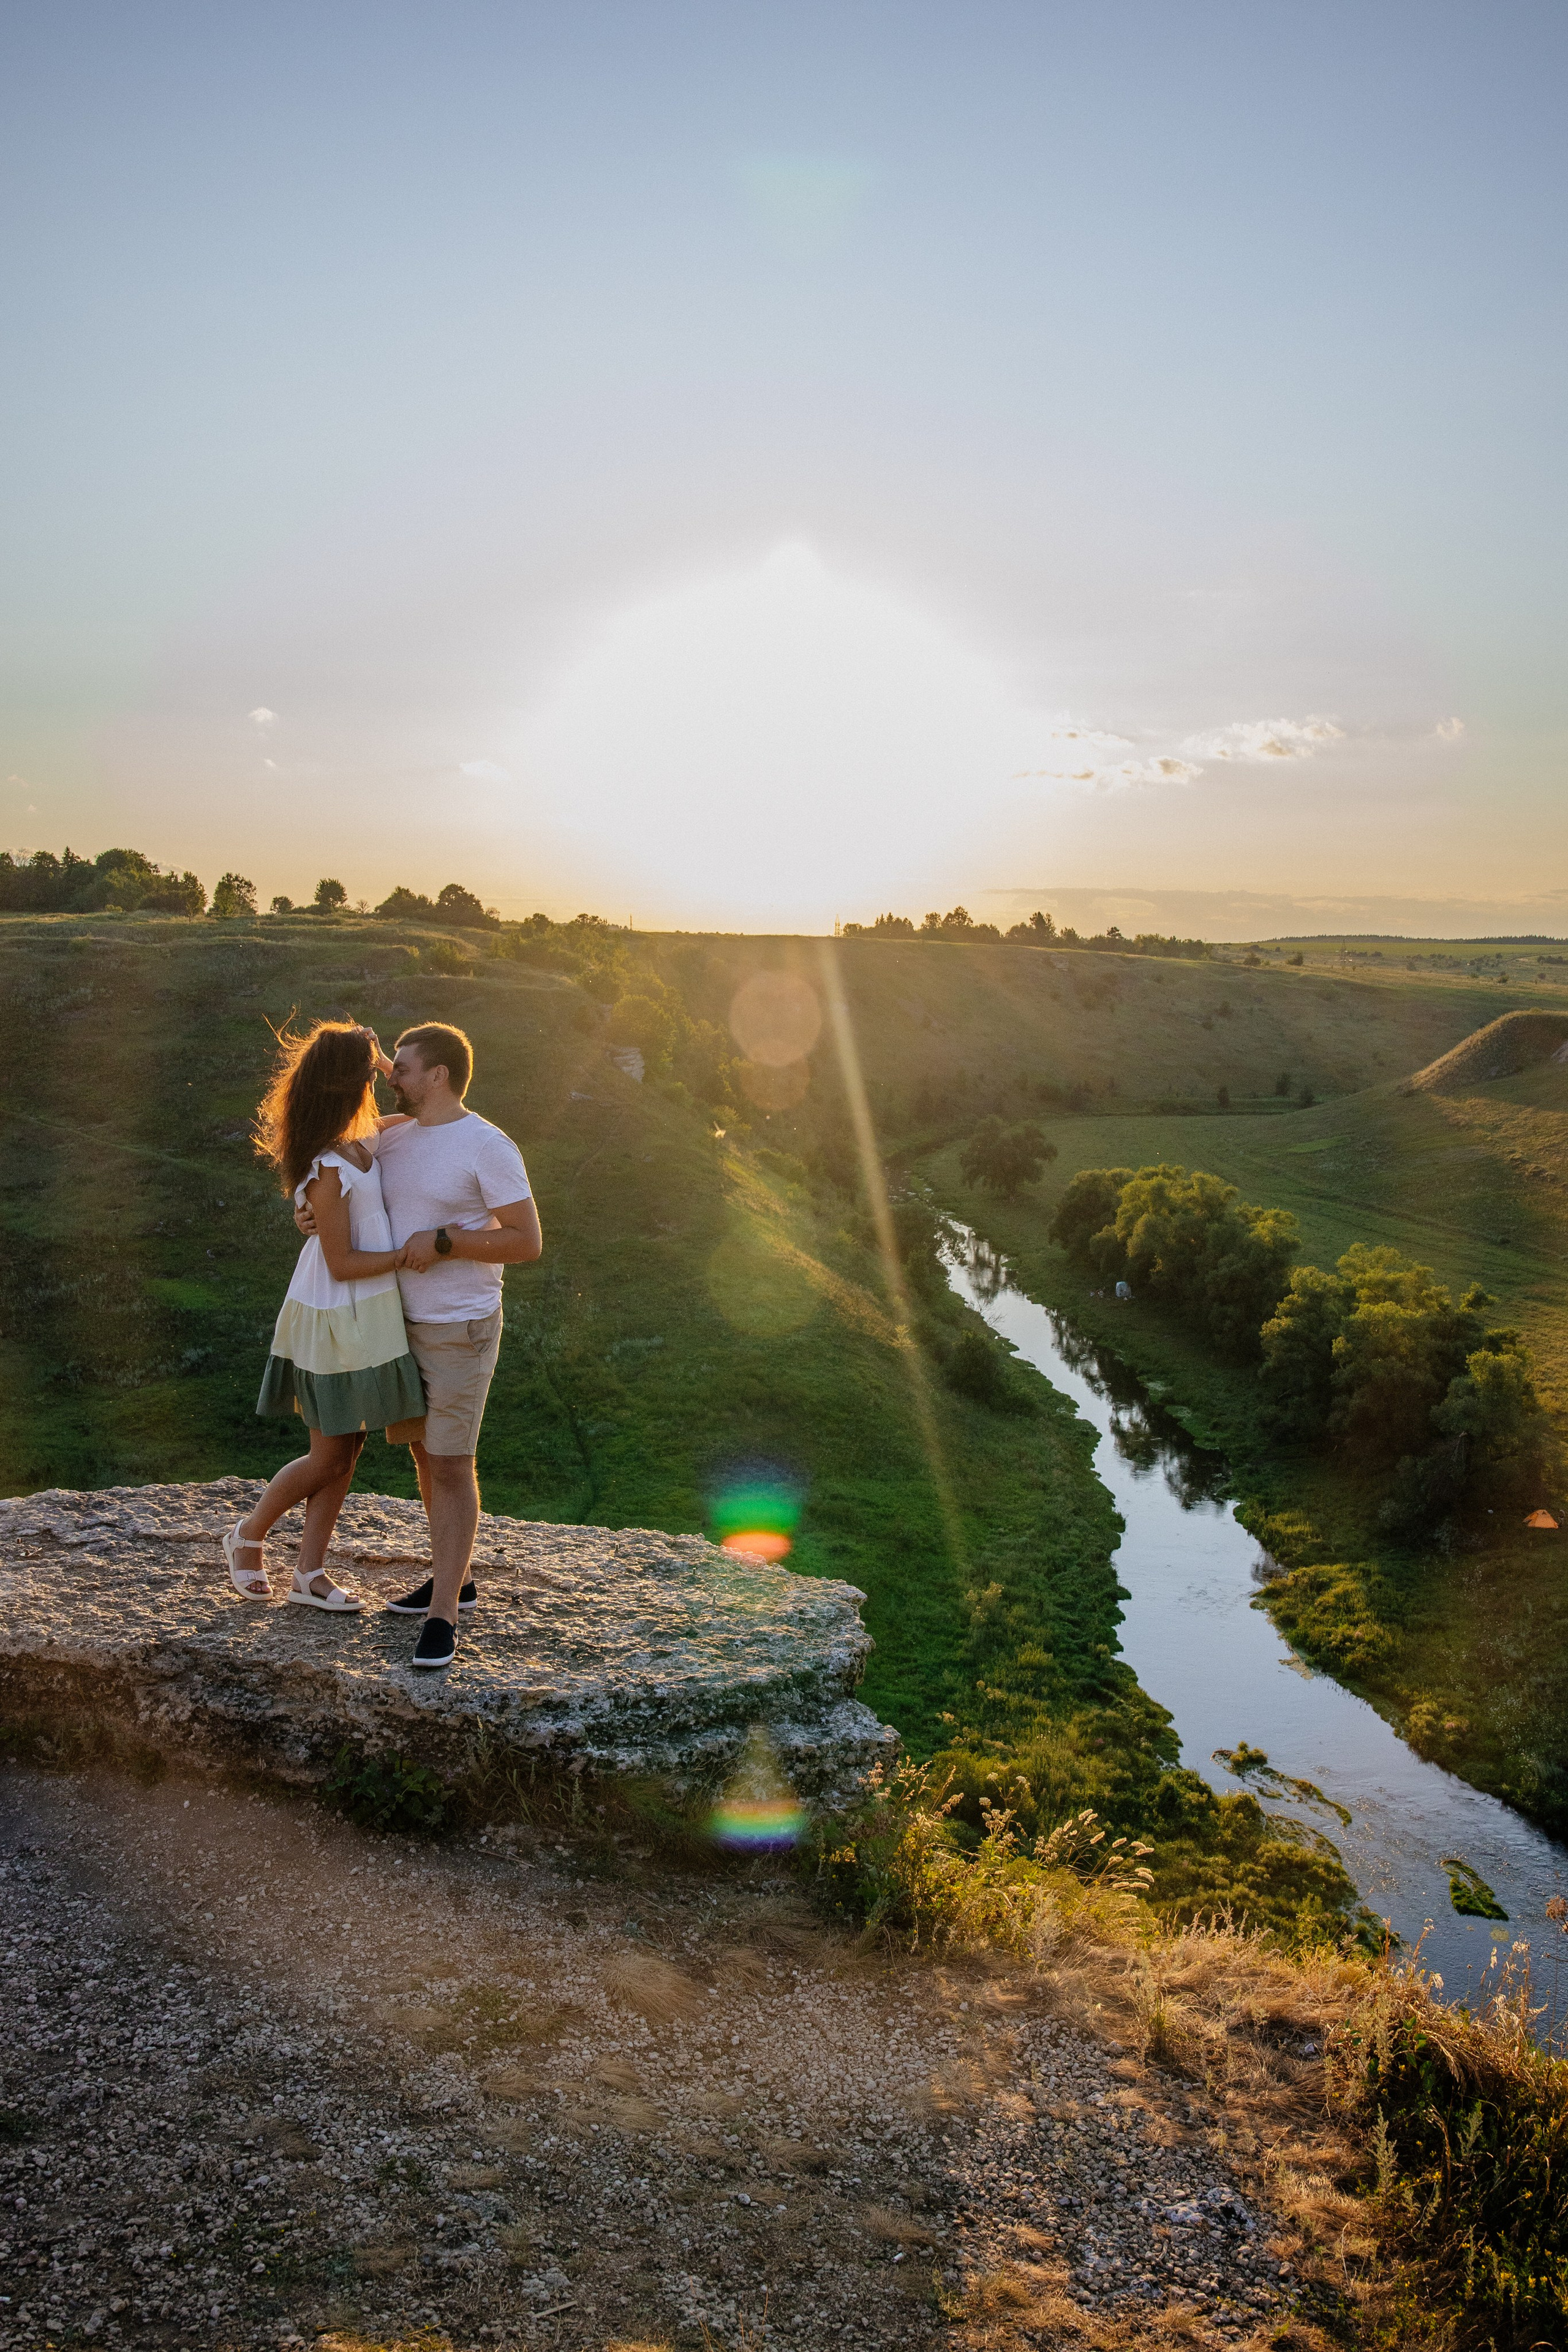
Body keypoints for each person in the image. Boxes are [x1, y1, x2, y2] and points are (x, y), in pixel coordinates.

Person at [296, 1019, 541, 1671]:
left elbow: (526, 1240)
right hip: (395, 1325)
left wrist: (447, 1242)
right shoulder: (393, 1137)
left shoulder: (487, 1146)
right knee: (426, 1461)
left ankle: (444, 1616)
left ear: (437, 1075)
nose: (389, 1077)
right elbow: (334, 1170)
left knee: (453, 1463)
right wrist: (307, 1211)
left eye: (400, 1067)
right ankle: (452, 1576)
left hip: (459, 1325)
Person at [225, 1021, 424, 1611]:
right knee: (330, 1452)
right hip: (334, 1313)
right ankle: (248, 1534)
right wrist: (408, 1255)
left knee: (348, 1446)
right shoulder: (329, 1167)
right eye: (368, 1073)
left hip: (363, 1314)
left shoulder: (366, 1140)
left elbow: (432, 1112)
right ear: (347, 1085)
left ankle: (308, 1572)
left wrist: (386, 1062)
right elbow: (340, 1262)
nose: (377, 1081)